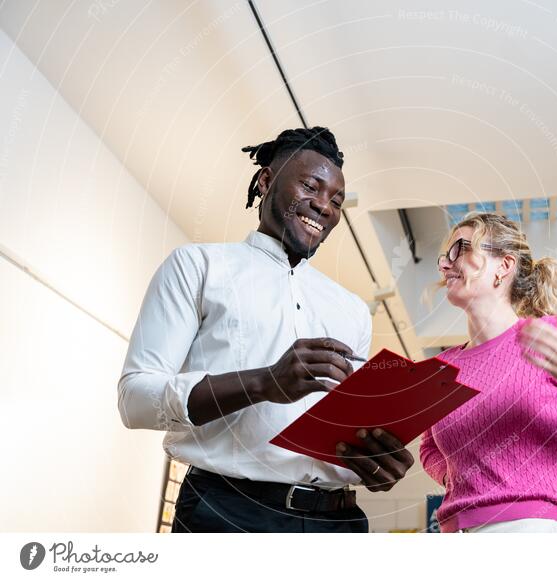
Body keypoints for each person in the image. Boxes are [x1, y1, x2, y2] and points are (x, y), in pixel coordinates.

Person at [118, 127, 414, 533]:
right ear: (266, 180)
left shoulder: (352, 311)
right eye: (311, 185)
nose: (324, 206)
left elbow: (338, 435)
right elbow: (134, 400)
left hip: (339, 523)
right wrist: (264, 382)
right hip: (229, 514)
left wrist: (372, 463)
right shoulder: (198, 267)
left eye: (337, 200)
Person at [420, 212, 557, 533]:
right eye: (445, 256)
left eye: (463, 249)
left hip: (536, 532)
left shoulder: (551, 336)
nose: (445, 264)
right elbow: (429, 448)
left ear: (504, 266)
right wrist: (455, 477)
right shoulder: (442, 369)